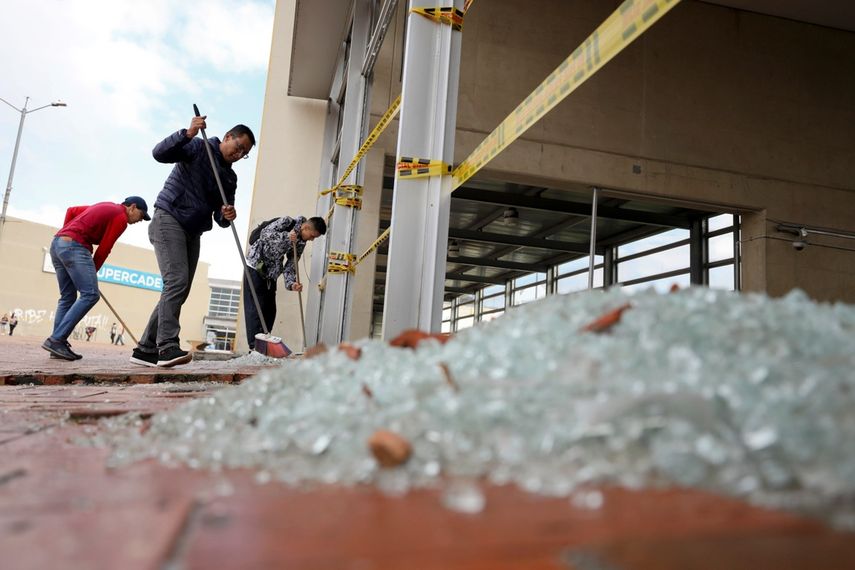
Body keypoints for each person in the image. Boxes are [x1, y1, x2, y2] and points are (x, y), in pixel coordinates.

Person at [130, 115, 255, 368]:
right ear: (228, 137)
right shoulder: (199, 147)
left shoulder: (229, 178)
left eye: (245, 153)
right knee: (176, 282)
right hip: (169, 218)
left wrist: (227, 214)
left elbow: (221, 215)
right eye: (238, 147)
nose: (239, 154)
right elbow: (159, 153)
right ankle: (166, 347)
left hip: (193, 231)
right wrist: (187, 133)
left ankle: (145, 349)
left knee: (180, 290)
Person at [41, 197, 150, 360]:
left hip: (58, 244)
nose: (140, 221)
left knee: (67, 297)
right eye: (141, 216)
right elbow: (105, 248)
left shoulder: (104, 206)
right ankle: (56, 340)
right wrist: (91, 273)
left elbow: (71, 210)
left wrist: (66, 233)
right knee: (90, 294)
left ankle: (57, 345)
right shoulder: (120, 218)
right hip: (74, 247)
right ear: (132, 207)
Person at [243, 216, 326, 350]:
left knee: (270, 310)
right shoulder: (286, 222)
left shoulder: (301, 243)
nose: (311, 240)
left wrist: (291, 283)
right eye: (312, 236)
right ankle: (254, 347)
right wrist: (286, 237)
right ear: (306, 227)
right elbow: (265, 235)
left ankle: (264, 345)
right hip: (255, 267)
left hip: (271, 273)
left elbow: (291, 264)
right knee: (256, 308)